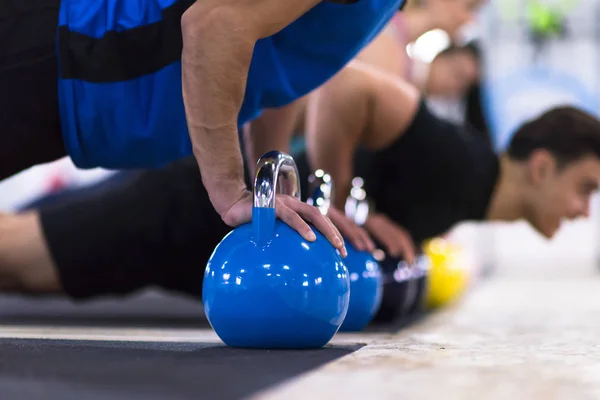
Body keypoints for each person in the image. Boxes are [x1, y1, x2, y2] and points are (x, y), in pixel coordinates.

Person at [2, 61, 600, 299]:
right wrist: (329, 203)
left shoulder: (465, 188)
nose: (585, 210)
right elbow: (348, 90)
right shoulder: (462, 165)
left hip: (213, 239)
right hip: (193, 208)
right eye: (587, 188)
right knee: (20, 258)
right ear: (542, 166)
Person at [1, 0, 408, 257]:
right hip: (61, 50)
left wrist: (277, 194)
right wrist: (232, 192)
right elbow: (214, 24)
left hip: (77, 91)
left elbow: (279, 62)